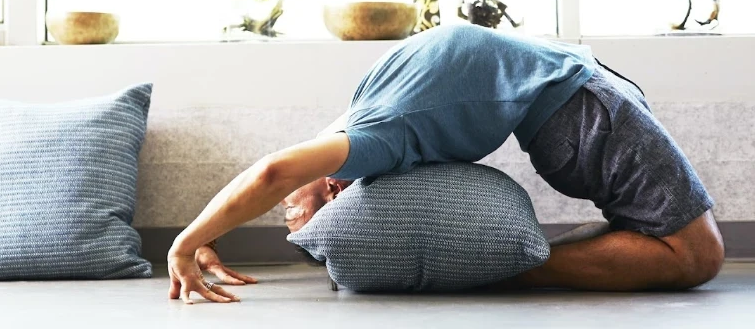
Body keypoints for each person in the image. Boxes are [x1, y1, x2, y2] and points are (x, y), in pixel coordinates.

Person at [167, 24, 724, 304]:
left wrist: (186, 241)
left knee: (691, 253)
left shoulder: (370, 133)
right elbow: (275, 176)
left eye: (292, 215)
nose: (287, 215)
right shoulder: (367, 111)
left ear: (334, 187)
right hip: (579, 104)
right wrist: (210, 232)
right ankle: (520, 267)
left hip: (581, 106)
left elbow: (271, 173)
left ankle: (521, 268)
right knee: (694, 253)